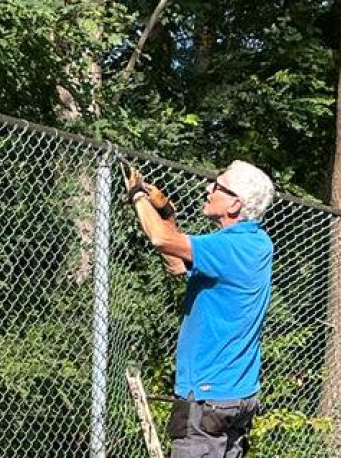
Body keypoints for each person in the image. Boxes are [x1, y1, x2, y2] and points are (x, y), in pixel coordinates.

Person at [126, 160, 275, 458]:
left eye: (218, 186)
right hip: (237, 396)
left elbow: (160, 239)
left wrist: (137, 196)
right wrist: (166, 212)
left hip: (208, 397)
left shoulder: (230, 247)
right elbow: (176, 264)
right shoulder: (256, 243)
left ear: (235, 203)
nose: (208, 189)